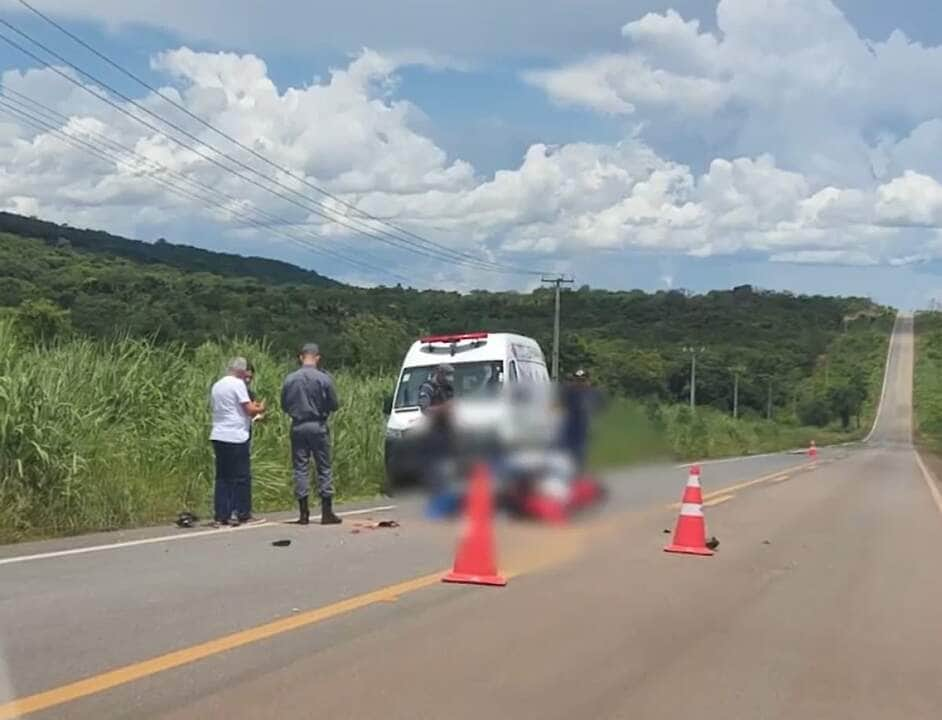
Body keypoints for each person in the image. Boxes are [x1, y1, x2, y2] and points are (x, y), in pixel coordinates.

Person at [281, 343, 341, 525]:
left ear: (301, 357)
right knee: (324, 467)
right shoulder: (324, 379)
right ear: (317, 357)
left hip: (298, 425)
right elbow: (334, 404)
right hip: (318, 425)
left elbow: (283, 405)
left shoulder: (290, 379)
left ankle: (304, 512)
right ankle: (326, 512)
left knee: (300, 467)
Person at [210, 357, 266, 527]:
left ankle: (222, 515)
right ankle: (243, 513)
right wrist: (261, 408)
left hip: (218, 434)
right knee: (241, 476)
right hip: (236, 435)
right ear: (241, 371)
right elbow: (249, 409)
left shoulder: (218, 385)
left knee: (222, 476)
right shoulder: (238, 384)